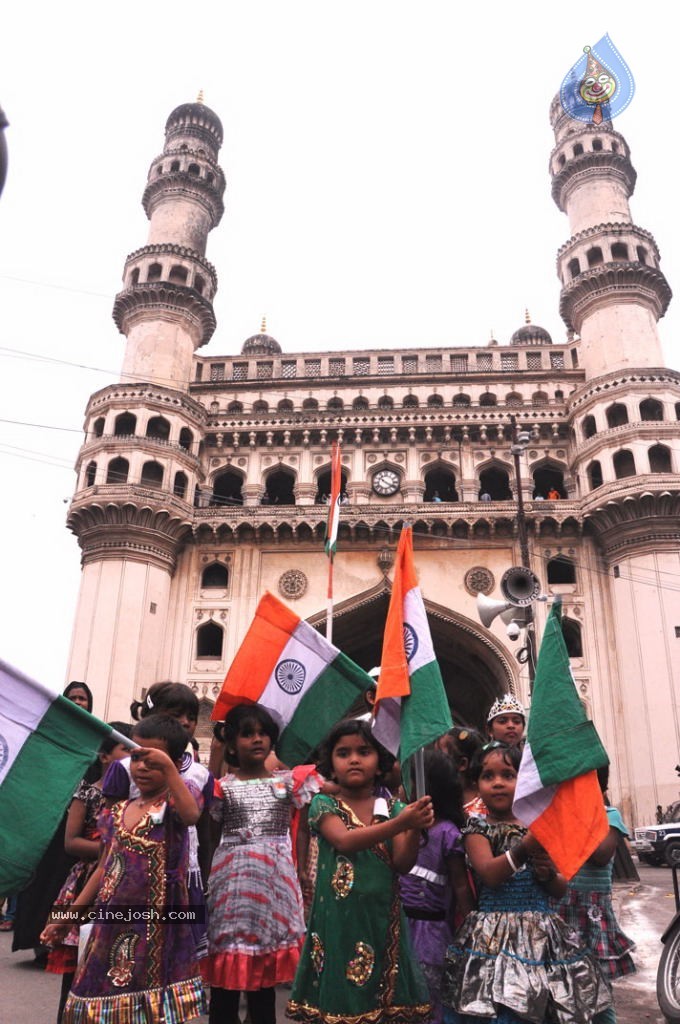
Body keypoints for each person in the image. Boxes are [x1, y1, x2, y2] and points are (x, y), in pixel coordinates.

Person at [42, 714, 206, 1024]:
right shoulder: (116, 811)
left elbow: (191, 815)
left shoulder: (173, 805)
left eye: (153, 760)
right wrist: (68, 917)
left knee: (151, 1009)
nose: (142, 767)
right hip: (111, 923)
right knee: (101, 1003)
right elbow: (104, 867)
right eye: (137, 756)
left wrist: (171, 769)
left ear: (173, 763)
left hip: (160, 926)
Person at [441, 742, 611, 1023]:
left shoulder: (538, 826)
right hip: (492, 940)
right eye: (488, 776)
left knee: (544, 1006)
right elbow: (490, 875)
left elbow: (559, 888)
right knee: (502, 1008)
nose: (498, 783)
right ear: (476, 783)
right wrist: (525, 847)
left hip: (543, 938)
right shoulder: (477, 828)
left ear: (524, 781)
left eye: (508, 775)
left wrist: (547, 875)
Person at [287, 718, 434, 1024]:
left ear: (380, 762)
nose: (354, 759)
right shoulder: (324, 803)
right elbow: (345, 841)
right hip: (338, 923)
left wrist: (415, 830)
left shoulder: (392, 807)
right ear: (330, 762)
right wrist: (403, 823)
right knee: (342, 1003)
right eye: (343, 753)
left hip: (382, 918)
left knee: (382, 997)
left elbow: (402, 864)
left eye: (364, 751)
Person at [203, 703, 323, 1024]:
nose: (257, 739)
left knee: (263, 988)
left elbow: (329, 796)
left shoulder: (288, 784)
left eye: (263, 733)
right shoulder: (221, 789)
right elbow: (213, 840)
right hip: (231, 893)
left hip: (273, 894)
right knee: (225, 986)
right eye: (247, 734)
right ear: (231, 743)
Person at [103, 681, 214, 957]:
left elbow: (198, 824)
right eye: (176, 716)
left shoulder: (199, 775)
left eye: (192, 717)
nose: (186, 723)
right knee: (125, 956)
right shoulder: (124, 770)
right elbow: (110, 837)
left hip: (181, 881)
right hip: (128, 880)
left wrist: (207, 875)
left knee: (174, 958)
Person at [46, 723, 132, 1023]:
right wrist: (115, 850)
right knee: (78, 968)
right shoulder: (87, 792)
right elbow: (71, 842)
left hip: (125, 886)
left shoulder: (138, 798)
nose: (133, 757)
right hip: (88, 881)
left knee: (116, 969)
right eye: (126, 749)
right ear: (105, 756)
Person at [12, 682, 96, 962]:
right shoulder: (54, 736)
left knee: (66, 887)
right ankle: (38, 938)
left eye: (83, 698)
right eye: (72, 698)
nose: (78, 702)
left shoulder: (94, 740)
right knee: (42, 885)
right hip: (50, 823)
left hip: (77, 828)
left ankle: (60, 940)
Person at [554, 766, 635, 1024]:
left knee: (598, 991)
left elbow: (601, 856)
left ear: (602, 790)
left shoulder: (610, 816)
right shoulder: (560, 816)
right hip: (562, 909)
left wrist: (576, 818)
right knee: (561, 988)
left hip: (593, 916)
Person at [400, 750, 474, 1024]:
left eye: (409, 780)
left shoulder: (447, 833)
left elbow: (460, 887)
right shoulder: (401, 827)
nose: (402, 787)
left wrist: (467, 931)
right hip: (402, 926)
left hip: (432, 933)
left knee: (430, 999)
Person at [435, 727, 486, 817]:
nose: (431, 760)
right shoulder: (433, 798)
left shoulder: (486, 806)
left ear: (462, 764)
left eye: (439, 755)